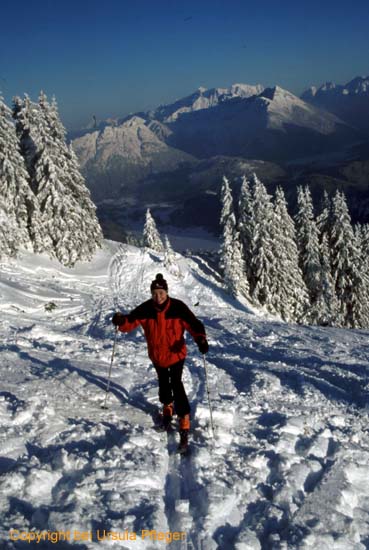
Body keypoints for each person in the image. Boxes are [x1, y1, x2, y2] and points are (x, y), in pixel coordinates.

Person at [112, 273, 208, 448]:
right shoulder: (145, 309)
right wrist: (120, 321)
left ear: (167, 292)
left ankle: (184, 416)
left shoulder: (178, 308)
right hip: (157, 356)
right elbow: (129, 323)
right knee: (164, 382)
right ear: (151, 294)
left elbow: (194, 324)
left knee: (176, 383)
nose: (158, 297)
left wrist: (200, 339)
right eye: (155, 293)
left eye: (161, 293)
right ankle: (167, 406)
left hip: (176, 354)